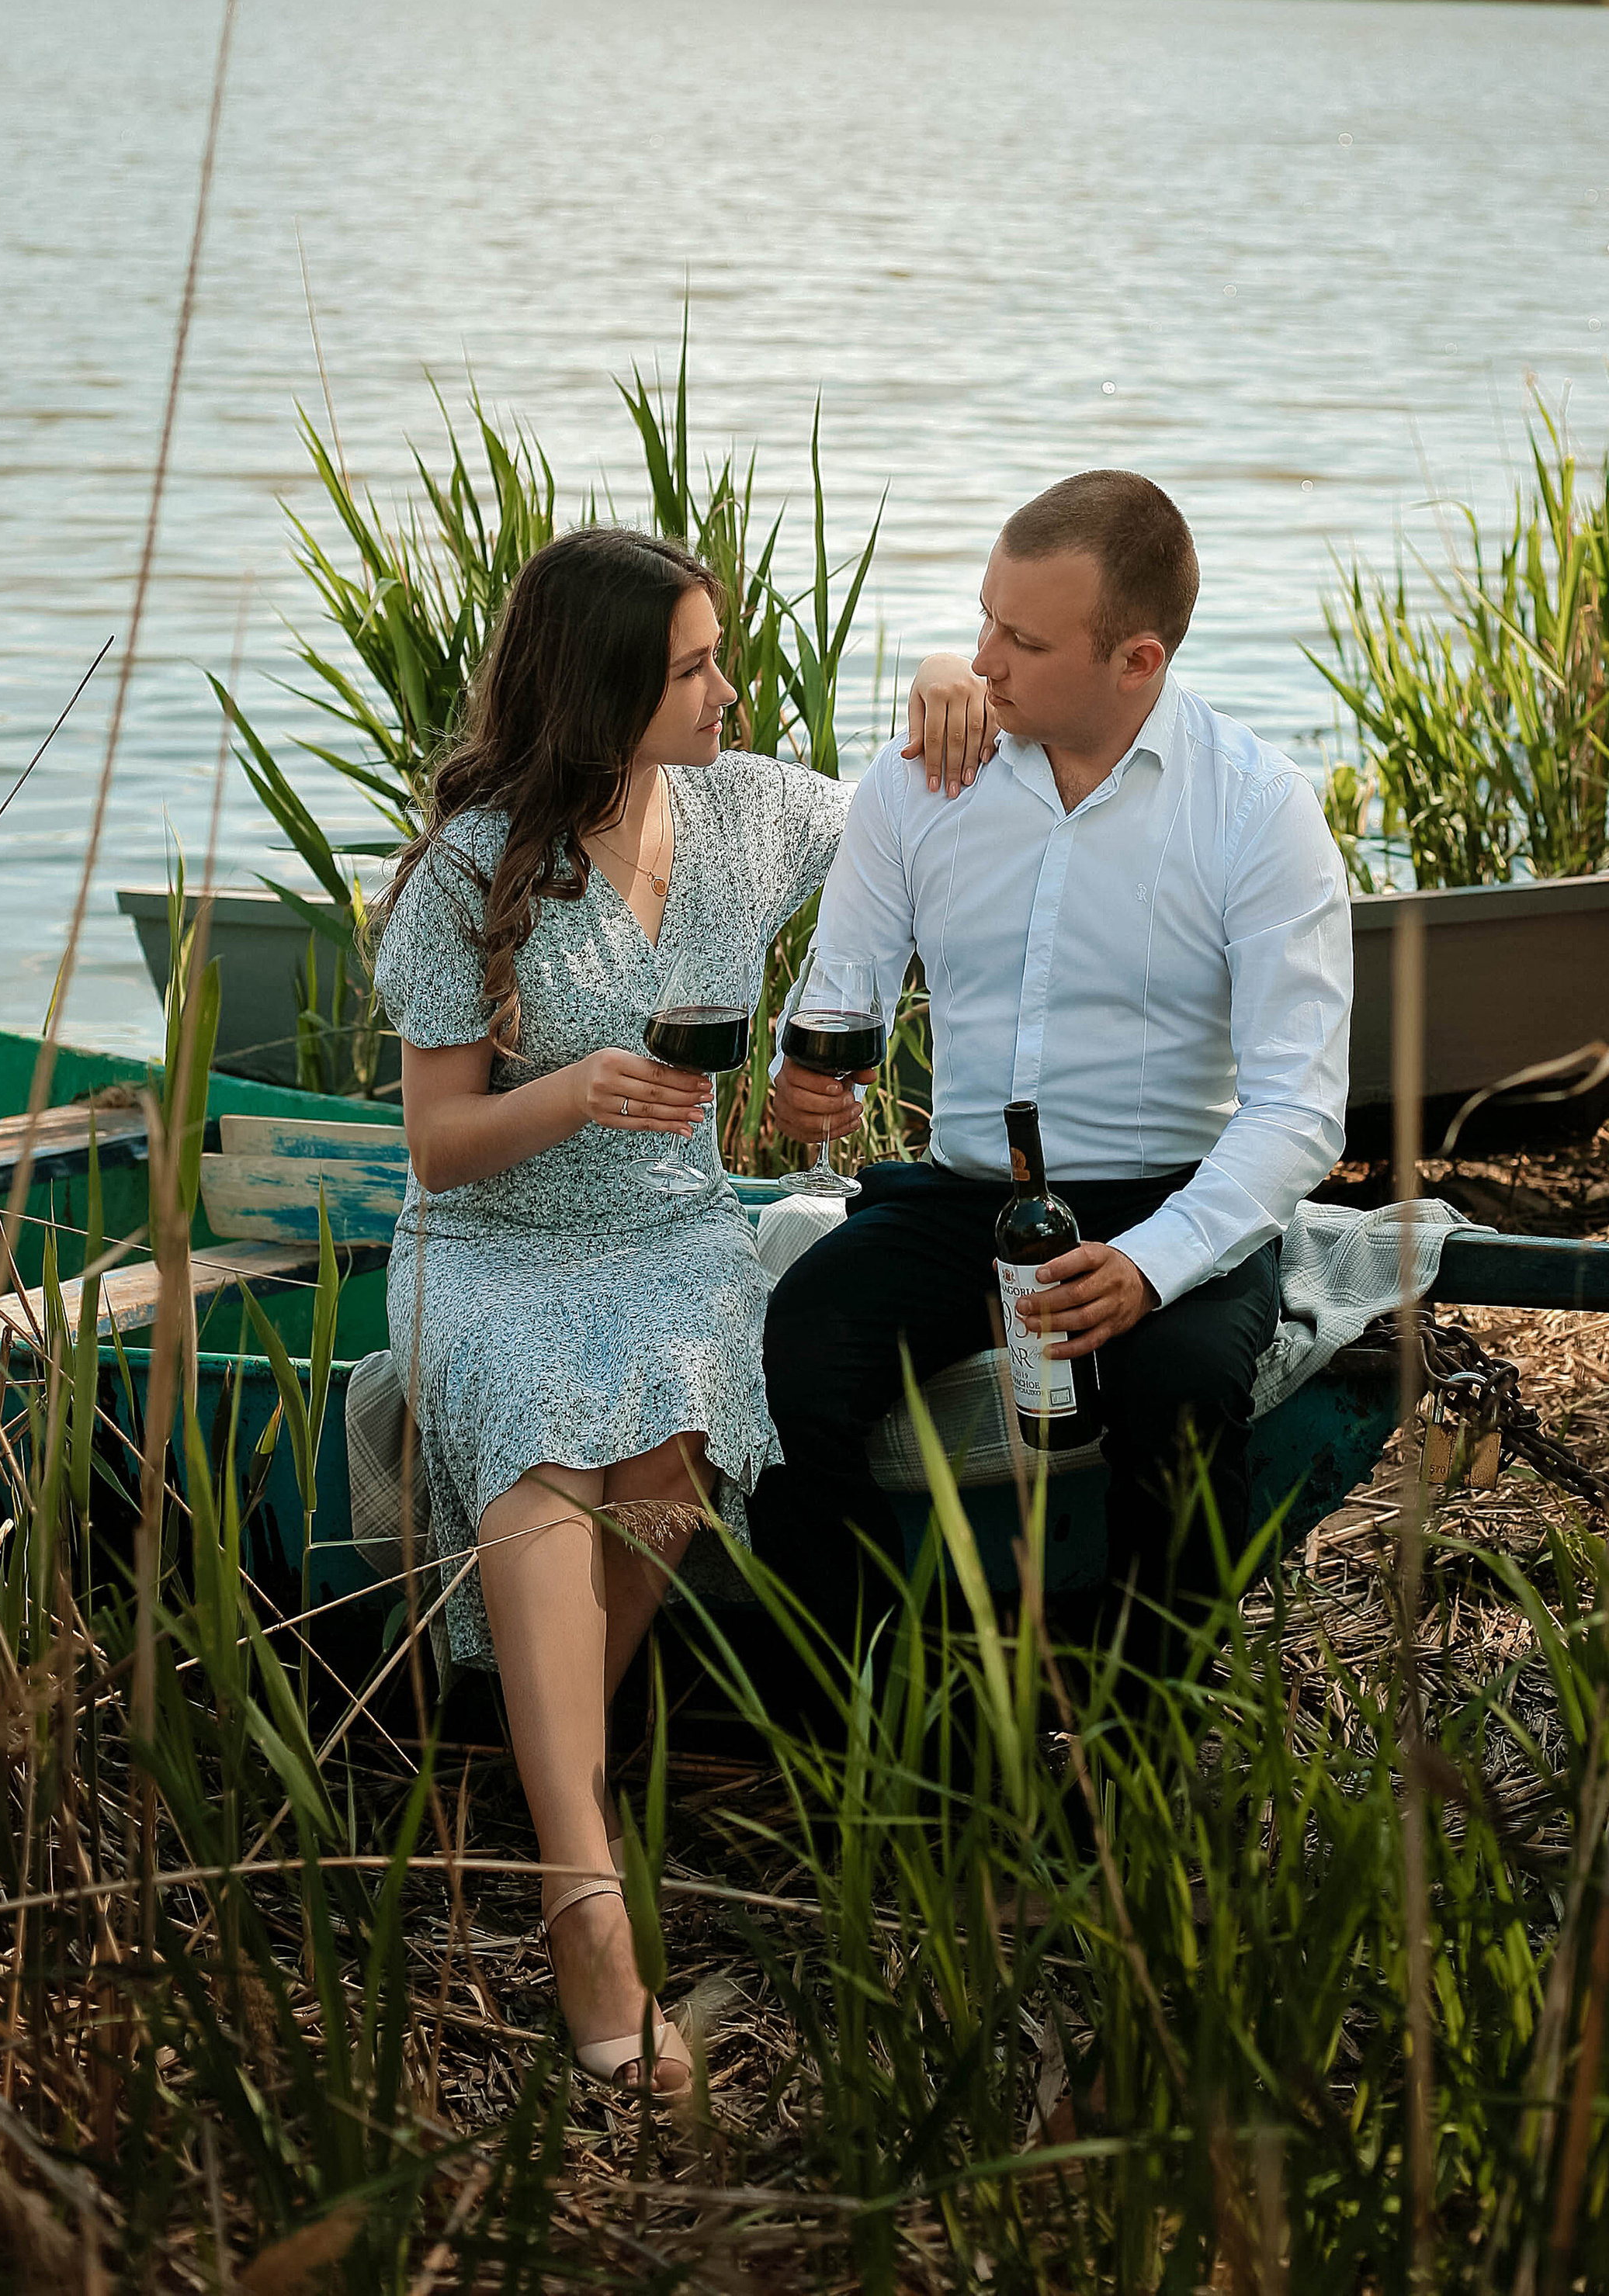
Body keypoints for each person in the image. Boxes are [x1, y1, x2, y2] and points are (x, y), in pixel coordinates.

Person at [370, 525, 991, 2096]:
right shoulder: (467, 872)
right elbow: (438, 1146)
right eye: (692, 669)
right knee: (542, 1454)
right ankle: (588, 1918)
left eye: (718, 656)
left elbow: (916, 821)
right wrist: (574, 1091)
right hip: (489, 1242)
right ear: (599, 695)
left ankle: (538, 1758)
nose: (727, 689)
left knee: (662, 1474)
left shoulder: (751, 814)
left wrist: (940, 678)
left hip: (670, 1234)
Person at [749, 470, 1353, 1684]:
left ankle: (1141, 1747)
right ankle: (874, 1714)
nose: (984, 662)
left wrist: (1153, 1264)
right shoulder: (917, 784)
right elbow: (834, 1001)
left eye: (1023, 640)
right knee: (791, 1360)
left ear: (1137, 660)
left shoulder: (1257, 811)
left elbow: (1299, 1107)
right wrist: (801, 1080)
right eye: (982, 623)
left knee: (1182, 1397)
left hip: (1162, 1202)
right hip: (960, 1201)